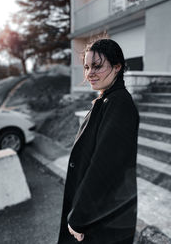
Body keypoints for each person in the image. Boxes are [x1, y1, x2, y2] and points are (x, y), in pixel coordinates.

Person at [57, 38, 140, 244]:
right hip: (99, 214)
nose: (89, 73)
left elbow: (104, 168)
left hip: (102, 219)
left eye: (97, 66)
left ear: (117, 67)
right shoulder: (105, 101)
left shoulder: (119, 104)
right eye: (86, 67)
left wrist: (79, 218)